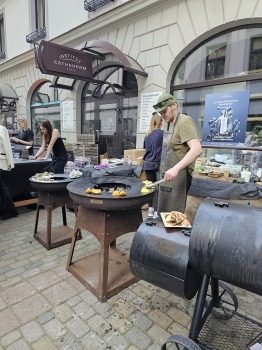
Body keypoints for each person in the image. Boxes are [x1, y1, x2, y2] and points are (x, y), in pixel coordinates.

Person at [153, 93, 202, 214]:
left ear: (174, 105)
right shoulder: (171, 124)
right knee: (165, 212)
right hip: (169, 176)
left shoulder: (184, 122)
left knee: (174, 215)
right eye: (161, 113)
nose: (163, 116)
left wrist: (175, 169)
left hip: (180, 176)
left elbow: (196, 149)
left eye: (164, 111)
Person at [142, 112, 164, 217]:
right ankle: (156, 211)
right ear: (160, 122)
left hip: (147, 164)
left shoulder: (147, 134)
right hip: (157, 164)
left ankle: (150, 209)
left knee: (150, 187)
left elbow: (145, 148)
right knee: (158, 187)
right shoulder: (162, 133)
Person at [0, 114, 18, 219]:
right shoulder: (2, 129)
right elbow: (7, 147)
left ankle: (7, 211)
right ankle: (7, 211)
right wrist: (11, 163)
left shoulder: (2, 129)